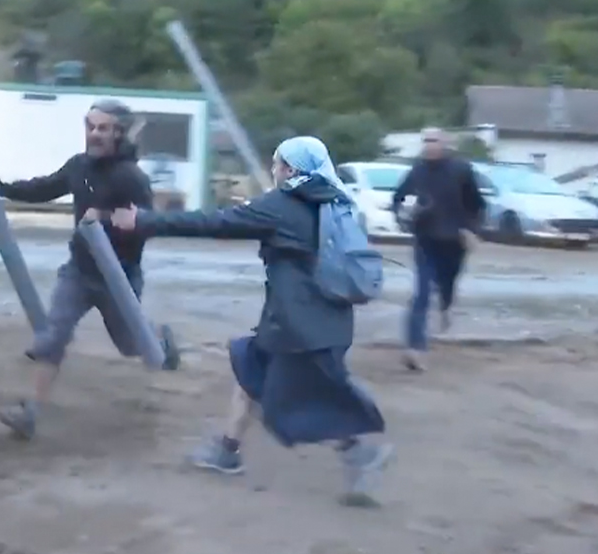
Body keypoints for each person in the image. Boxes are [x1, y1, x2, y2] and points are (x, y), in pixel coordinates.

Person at [111, 136, 394, 505]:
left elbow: (214, 222)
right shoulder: (335, 201)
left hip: (298, 329)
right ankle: (227, 450)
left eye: (277, 164)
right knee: (250, 370)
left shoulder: (284, 203)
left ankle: (361, 455)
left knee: (295, 402)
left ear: (291, 170)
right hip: (320, 322)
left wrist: (143, 221)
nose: (274, 170)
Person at [0, 98, 180, 440]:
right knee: (55, 333)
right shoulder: (78, 166)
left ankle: (160, 339)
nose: (95, 134)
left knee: (130, 345)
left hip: (118, 275)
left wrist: (111, 219)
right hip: (79, 270)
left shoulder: (131, 177)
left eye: (103, 128)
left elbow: (151, 223)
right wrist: (3, 188)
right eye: (91, 127)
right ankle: (29, 414)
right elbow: (45, 187)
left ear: (119, 134)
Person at [391, 127, 486, 372]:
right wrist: (404, 215)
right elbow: (398, 198)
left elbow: (476, 204)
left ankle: (445, 306)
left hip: (455, 241)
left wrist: (472, 230)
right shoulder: (418, 170)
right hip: (426, 240)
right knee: (421, 294)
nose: (429, 145)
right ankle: (415, 348)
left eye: (434, 141)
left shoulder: (461, 170)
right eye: (426, 141)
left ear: (445, 144)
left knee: (447, 284)